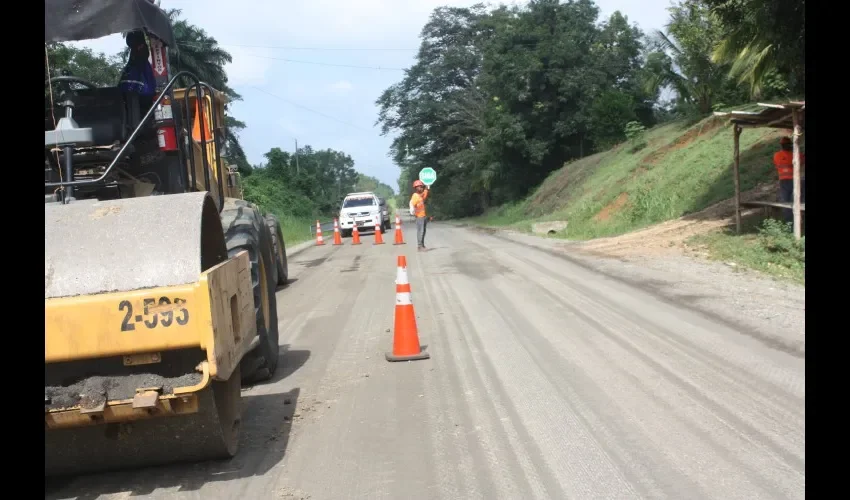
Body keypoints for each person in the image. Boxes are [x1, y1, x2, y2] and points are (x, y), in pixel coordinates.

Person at [773, 136, 805, 223]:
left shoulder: (776, 155)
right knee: (799, 197)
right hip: (794, 180)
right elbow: (802, 159)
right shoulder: (794, 155)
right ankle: (800, 215)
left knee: (785, 200)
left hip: (783, 180)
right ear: (789, 145)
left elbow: (777, 164)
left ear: (781, 145)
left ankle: (789, 221)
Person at [118, 30, 155, 97]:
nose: (139, 48)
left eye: (141, 46)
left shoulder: (141, 60)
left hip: (142, 97)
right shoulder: (132, 64)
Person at [409, 180, 430, 251]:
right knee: (420, 231)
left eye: (422, 187)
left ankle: (422, 245)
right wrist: (412, 209)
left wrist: (427, 188)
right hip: (419, 217)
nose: (421, 188)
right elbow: (412, 203)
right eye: (420, 187)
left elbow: (425, 195)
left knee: (423, 231)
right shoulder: (415, 196)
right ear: (416, 188)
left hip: (423, 216)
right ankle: (420, 246)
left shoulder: (420, 196)